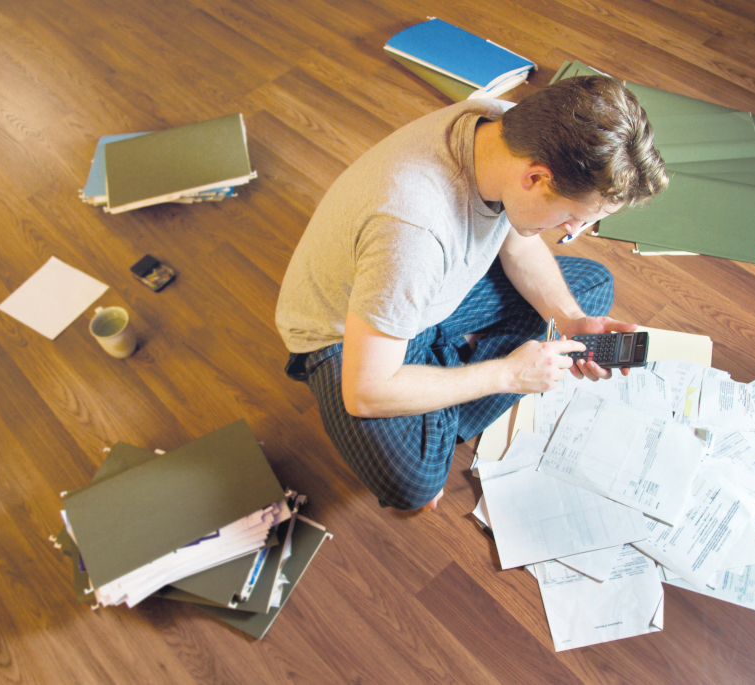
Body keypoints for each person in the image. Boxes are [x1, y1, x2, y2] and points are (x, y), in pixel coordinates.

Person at [275, 75, 667, 511]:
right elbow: (365, 391)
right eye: (575, 216)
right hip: (346, 335)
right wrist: (508, 375)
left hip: (422, 292)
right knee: (415, 484)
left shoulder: (505, 129)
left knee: (592, 289)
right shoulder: (411, 232)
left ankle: (438, 381)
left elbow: (515, 240)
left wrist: (573, 322)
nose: (574, 231)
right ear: (536, 178)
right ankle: (446, 376)